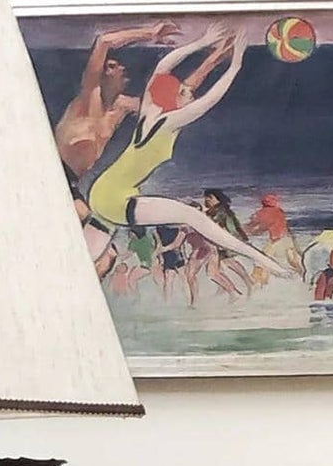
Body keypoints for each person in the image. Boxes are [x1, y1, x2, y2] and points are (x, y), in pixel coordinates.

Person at [84, 32, 288, 278]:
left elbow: (163, 66)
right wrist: (236, 65)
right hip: (116, 202)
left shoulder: (149, 110)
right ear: (176, 98)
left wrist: (201, 42)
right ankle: (262, 260)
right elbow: (210, 99)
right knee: (192, 216)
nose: (191, 95)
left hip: (101, 193)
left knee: (78, 261)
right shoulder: (170, 122)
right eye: (187, 93)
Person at [52, 20, 180, 183]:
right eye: (110, 65)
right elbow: (104, 41)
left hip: (72, 181)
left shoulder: (122, 106)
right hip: (53, 171)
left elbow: (168, 109)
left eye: (118, 66)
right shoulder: (89, 97)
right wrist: (151, 33)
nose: (120, 68)